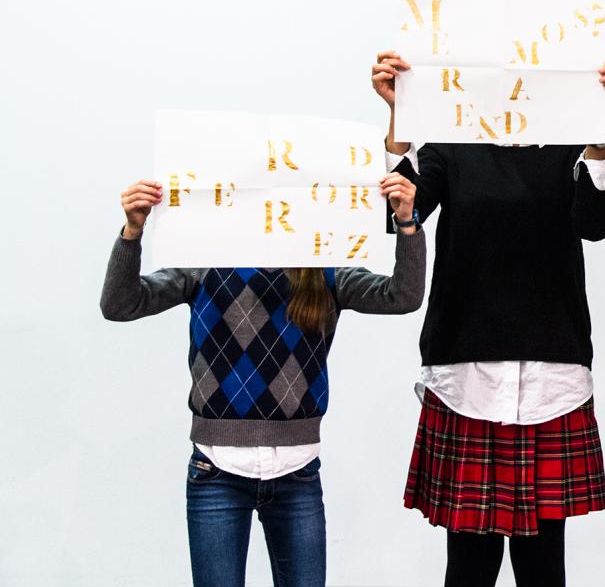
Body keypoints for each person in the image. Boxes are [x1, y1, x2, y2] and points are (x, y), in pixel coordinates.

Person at [371, 51, 605, 587]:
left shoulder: (568, 147)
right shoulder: (452, 147)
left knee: (543, 570)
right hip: (468, 374)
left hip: (551, 376)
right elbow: (406, 212)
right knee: (468, 568)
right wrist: (402, 121)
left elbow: (596, 223)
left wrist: (597, 126)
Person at [101, 171, 426, 587]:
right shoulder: (205, 263)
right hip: (216, 471)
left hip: (298, 472)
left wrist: (407, 224)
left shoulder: (325, 269)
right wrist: (132, 232)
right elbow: (120, 304)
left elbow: (403, 297)